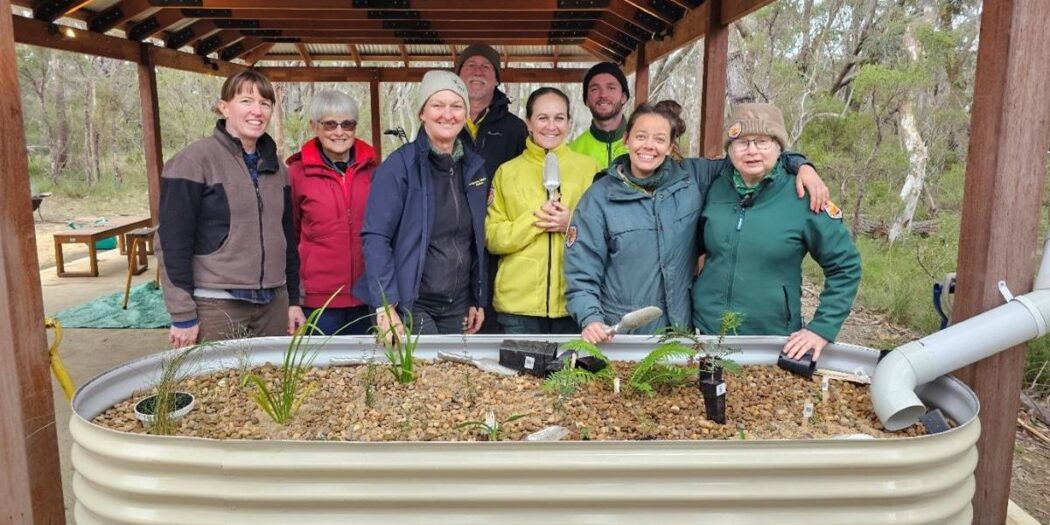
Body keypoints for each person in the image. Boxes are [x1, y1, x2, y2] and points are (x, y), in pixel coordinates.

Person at [565, 103, 828, 344]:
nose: (649, 146)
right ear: (627, 139)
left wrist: (801, 164)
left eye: (660, 139)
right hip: (622, 334)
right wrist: (591, 319)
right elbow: (581, 270)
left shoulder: (693, 177)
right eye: (641, 136)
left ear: (670, 147)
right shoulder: (599, 197)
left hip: (680, 331)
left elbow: (749, 157)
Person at [691, 103, 861, 361]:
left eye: (762, 142)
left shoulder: (804, 196)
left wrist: (822, 328)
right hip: (706, 332)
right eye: (742, 142)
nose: (752, 151)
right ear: (729, 149)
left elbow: (845, 265)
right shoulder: (713, 188)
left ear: (780, 148)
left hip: (772, 338)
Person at [158, 70, 304, 347]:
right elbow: (171, 243)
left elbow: (287, 240)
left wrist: (294, 300)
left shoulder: (278, 169)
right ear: (224, 107)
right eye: (247, 101)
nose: (257, 111)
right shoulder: (194, 162)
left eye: (265, 103)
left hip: (273, 303)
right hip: (217, 303)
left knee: (273, 385)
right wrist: (182, 315)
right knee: (217, 386)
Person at [356, 70, 488, 339]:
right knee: (424, 377)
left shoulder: (474, 168)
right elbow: (376, 237)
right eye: (437, 105)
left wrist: (477, 297)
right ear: (422, 113)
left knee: (454, 377)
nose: (447, 114)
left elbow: (474, 240)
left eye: (456, 106)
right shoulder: (399, 167)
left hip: (457, 304)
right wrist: (385, 306)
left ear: (465, 114)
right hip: (412, 302)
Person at [486, 87, 600, 334]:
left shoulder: (590, 170)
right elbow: (492, 238)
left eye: (559, 118)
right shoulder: (507, 172)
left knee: (571, 373)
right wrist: (536, 220)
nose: (551, 126)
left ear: (569, 123)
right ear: (528, 122)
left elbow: (605, 236)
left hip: (574, 305)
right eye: (542, 118)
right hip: (518, 308)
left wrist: (570, 223)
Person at [286, 90, 377, 335]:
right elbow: (289, 237)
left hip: (366, 296)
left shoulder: (375, 171)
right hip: (318, 301)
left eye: (347, 124)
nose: (339, 132)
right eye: (330, 124)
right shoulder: (296, 174)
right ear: (314, 126)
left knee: (367, 371)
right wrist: (293, 297)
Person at [455, 42, 530, 333]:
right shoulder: (443, 120)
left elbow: (525, 178)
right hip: (453, 237)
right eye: (470, 65)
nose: (477, 71)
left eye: (486, 67)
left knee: (490, 322)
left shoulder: (514, 128)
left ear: (497, 79)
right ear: (458, 74)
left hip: (497, 239)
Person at [569, 62, 630, 170]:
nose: (603, 94)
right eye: (594, 89)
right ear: (587, 100)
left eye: (611, 88)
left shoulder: (644, 148)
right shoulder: (572, 151)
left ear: (623, 97)